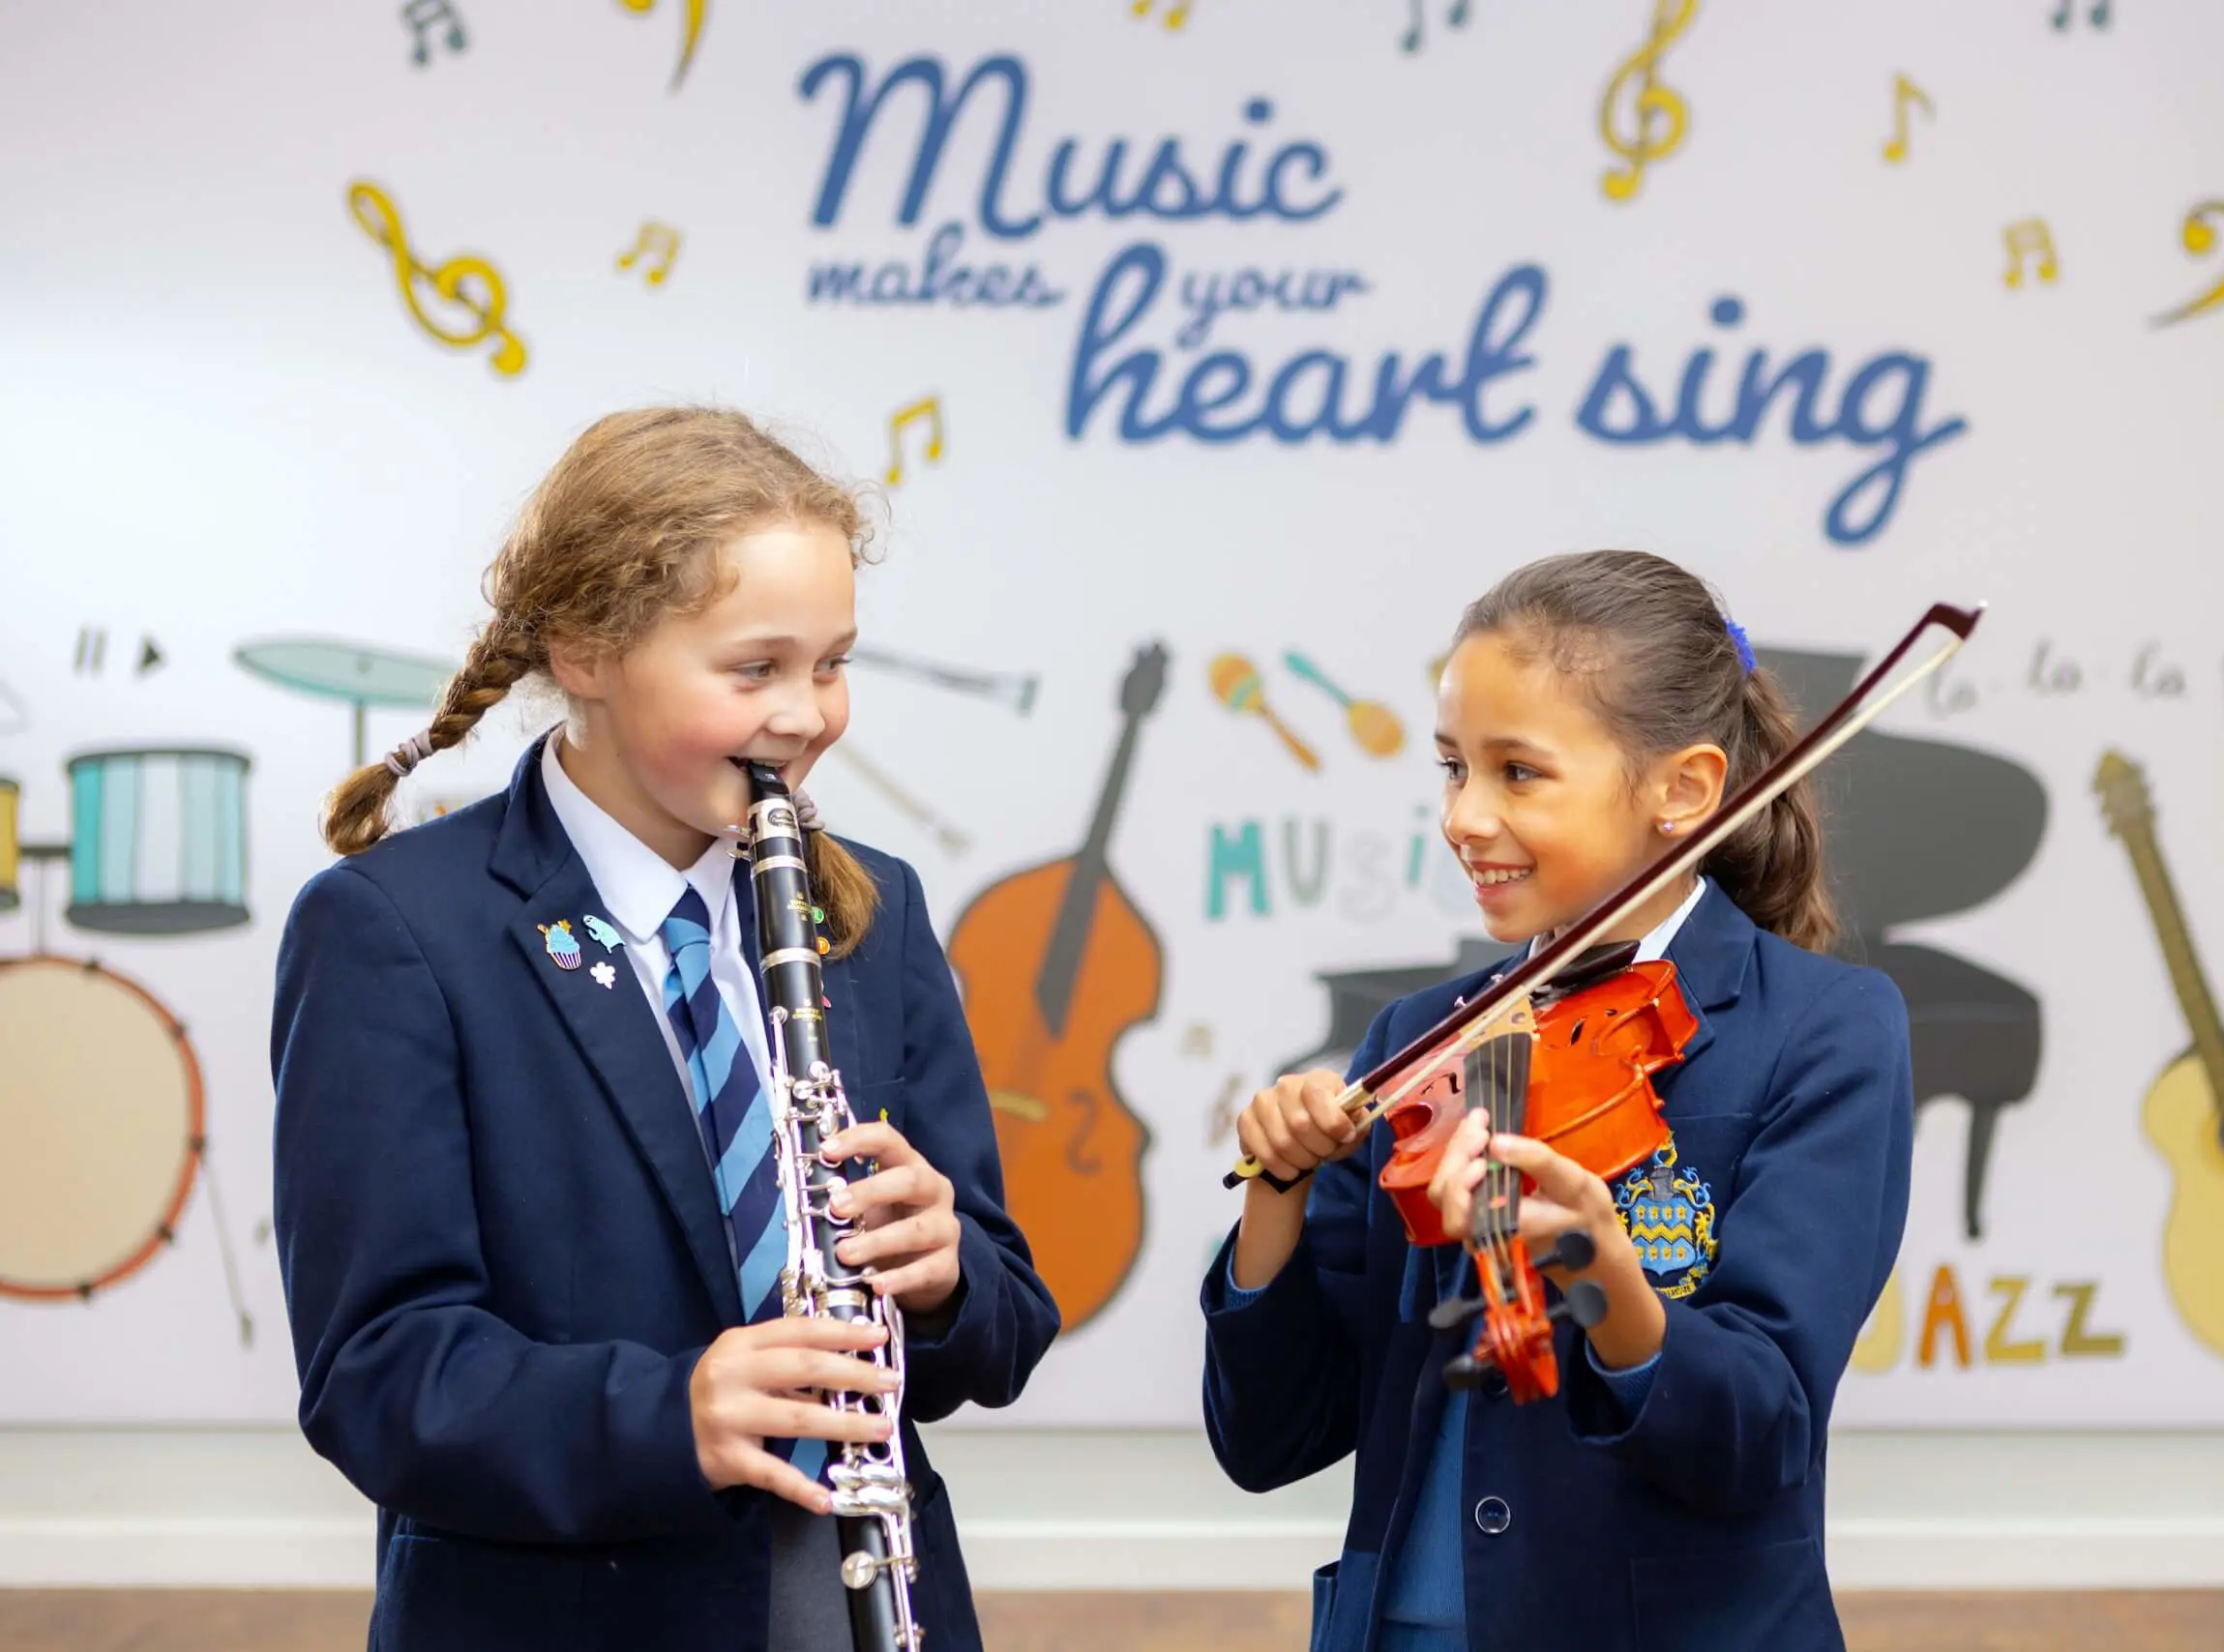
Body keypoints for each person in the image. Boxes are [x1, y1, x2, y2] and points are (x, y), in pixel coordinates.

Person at [272, 406, 1058, 1652]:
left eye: (832, 663)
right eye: (754, 670)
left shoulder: (874, 910)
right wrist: (673, 1412)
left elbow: (1004, 1329)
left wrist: (950, 1270)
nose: (805, 716)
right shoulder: (393, 930)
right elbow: (378, 1374)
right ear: (583, 649)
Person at [1202, 548, 1913, 1652]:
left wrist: (1607, 1277)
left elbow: (1758, 1430)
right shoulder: (1418, 1039)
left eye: (1517, 773)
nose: (1462, 818)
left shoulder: (1823, 1031)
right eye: (1451, 768)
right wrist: (1276, 1198)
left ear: (1682, 789)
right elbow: (1270, 1436)